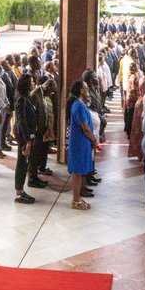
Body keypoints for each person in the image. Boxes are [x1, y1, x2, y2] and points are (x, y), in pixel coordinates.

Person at [66, 79, 98, 210]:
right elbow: (85, 127)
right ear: (80, 90)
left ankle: (78, 197)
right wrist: (93, 140)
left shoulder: (79, 103)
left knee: (80, 171)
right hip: (80, 141)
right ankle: (75, 200)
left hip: (82, 141)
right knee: (77, 172)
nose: (87, 89)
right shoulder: (78, 105)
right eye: (85, 87)